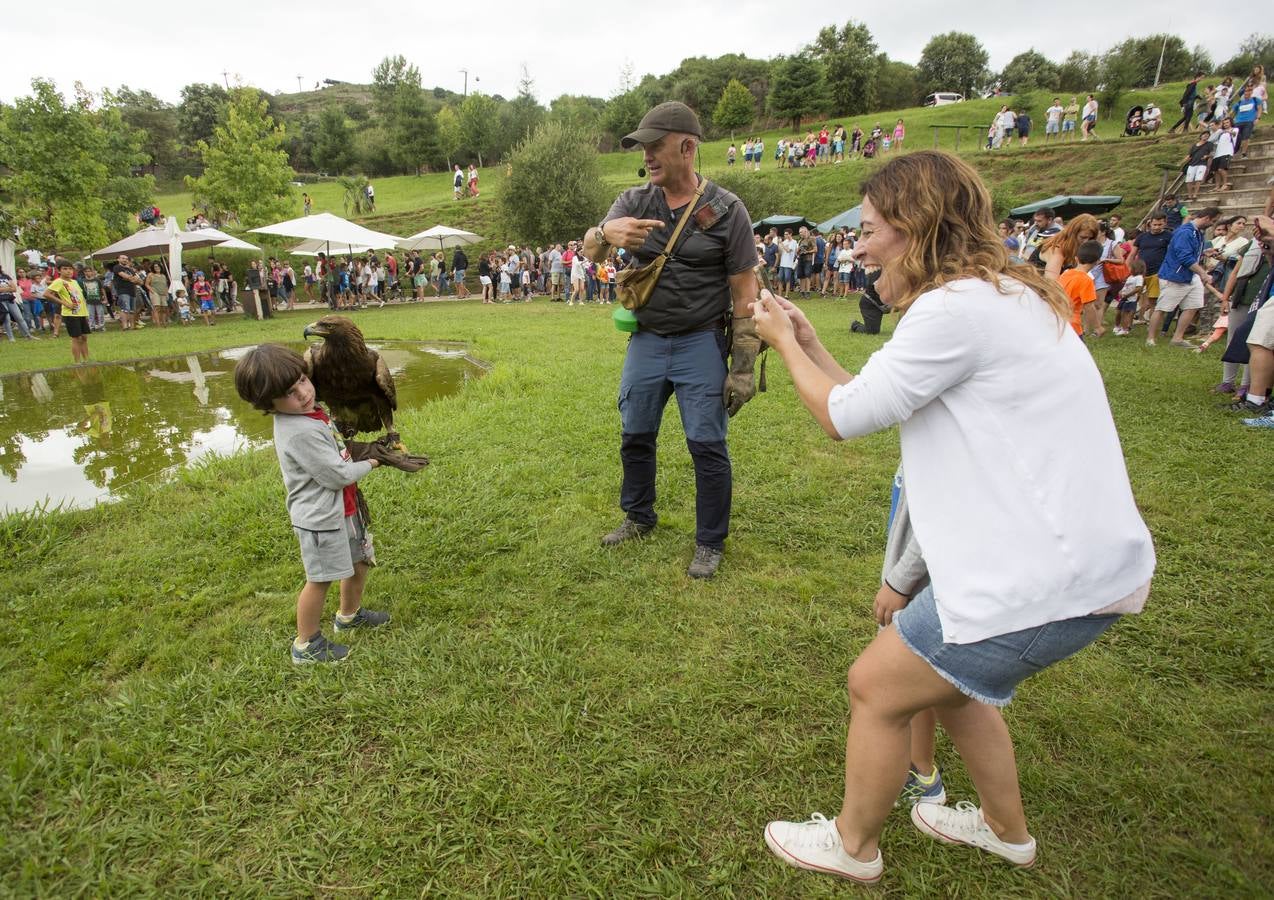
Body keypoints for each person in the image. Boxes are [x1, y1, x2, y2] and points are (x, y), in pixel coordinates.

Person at [754, 150, 1154, 885]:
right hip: (1083, 563)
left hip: (1046, 573)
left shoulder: (953, 308)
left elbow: (845, 419)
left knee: (877, 684)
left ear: (914, 227)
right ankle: (1007, 833)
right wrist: (809, 345)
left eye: (871, 229)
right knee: (951, 685)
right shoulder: (999, 296)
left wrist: (779, 342)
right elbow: (880, 399)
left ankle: (853, 846)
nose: (860, 245)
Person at [584, 101, 758, 579]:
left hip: (700, 342)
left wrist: (742, 366)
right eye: (643, 149)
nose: (648, 158)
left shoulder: (727, 210)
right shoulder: (634, 202)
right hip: (646, 340)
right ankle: (639, 515)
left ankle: (709, 542)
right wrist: (604, 231)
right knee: (634, 434)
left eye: (655, 147)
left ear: (687, 147)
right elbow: (589, 247)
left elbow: (745, 290)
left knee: (707, 444)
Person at [233, 344, 391, 664]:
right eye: (290, 392)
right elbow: (335, 475)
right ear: (269, 403)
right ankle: (306, 644)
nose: (303, 392)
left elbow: (336, 452)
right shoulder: (298, 430)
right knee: (320, 579)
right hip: (321, 519)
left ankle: (349, 615)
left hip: (343, 508)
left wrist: (362, 446)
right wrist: (374, 461)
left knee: (359, 561)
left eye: (303, 380)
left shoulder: (310, 411)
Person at [1147, 207, 1223, 347]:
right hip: (1174, 275)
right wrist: (1203, 273)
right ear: (1206, 218)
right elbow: (1184, 257)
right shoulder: (1185, 232)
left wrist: (1204, 253)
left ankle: (1177, 338)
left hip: (1190, 275)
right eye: (1213, 221)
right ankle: (1150, 339)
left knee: (1193, 305)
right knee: (1163, 308)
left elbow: (1190, 253)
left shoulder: (1197, 232)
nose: (1213, 224)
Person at [43, 258, 92, 363]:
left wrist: (85, 312)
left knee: (84, 337)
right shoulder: (59, 282)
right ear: (59, 270)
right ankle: (77, 361)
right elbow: (47, 294)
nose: (68, 271)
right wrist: (64, 303)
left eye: (70, 269)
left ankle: (87, 360)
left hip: (81, 313)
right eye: (65, 269)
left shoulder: (75, 282)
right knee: (76, 337)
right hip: (71, 314)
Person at [1059, 240, 1102, 337]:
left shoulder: (1065, 274)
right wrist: (1097, 327)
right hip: (1072, 325)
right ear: (1097, 262)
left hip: (1059, 321)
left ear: (1076, 259)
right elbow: (1089, 307)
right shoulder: (1086, 280)